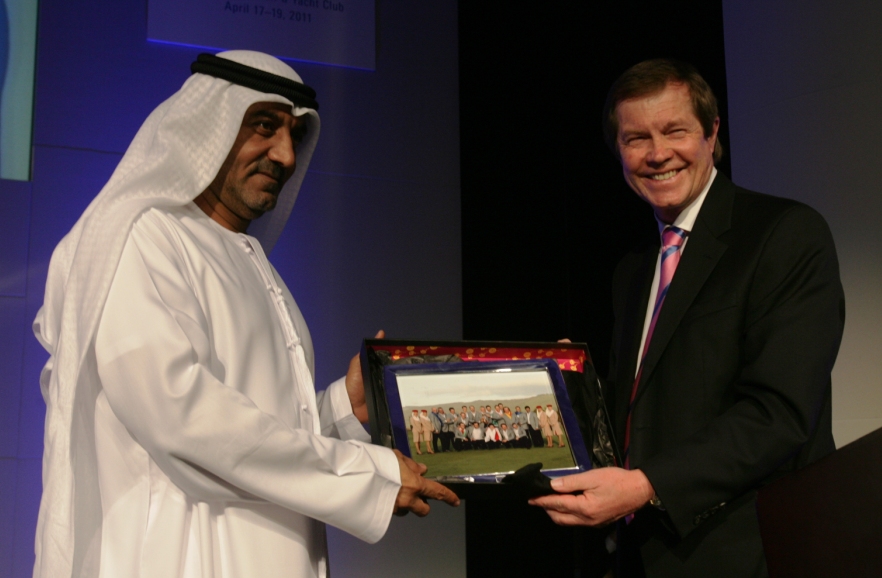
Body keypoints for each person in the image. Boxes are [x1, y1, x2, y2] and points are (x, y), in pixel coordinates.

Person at [31, 50, 458, 578]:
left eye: (296, 136)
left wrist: (338, 409)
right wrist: (366, 474)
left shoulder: (251, 262)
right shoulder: (144, 238)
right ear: (207, 127)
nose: (285, 155)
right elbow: (182, 421)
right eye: (264, 126)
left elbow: (256, 434)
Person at [530, 58, 844, 577]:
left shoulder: (784, 235)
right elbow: (650, 410)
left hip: (753, 554)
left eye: (674, 130)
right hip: (643, 557)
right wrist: (574, 390)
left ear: (712, 133)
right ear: (618, 152)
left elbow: (779, 414)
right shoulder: (633, 270)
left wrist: (646, 485)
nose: (657, 154)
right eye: (636, 139)